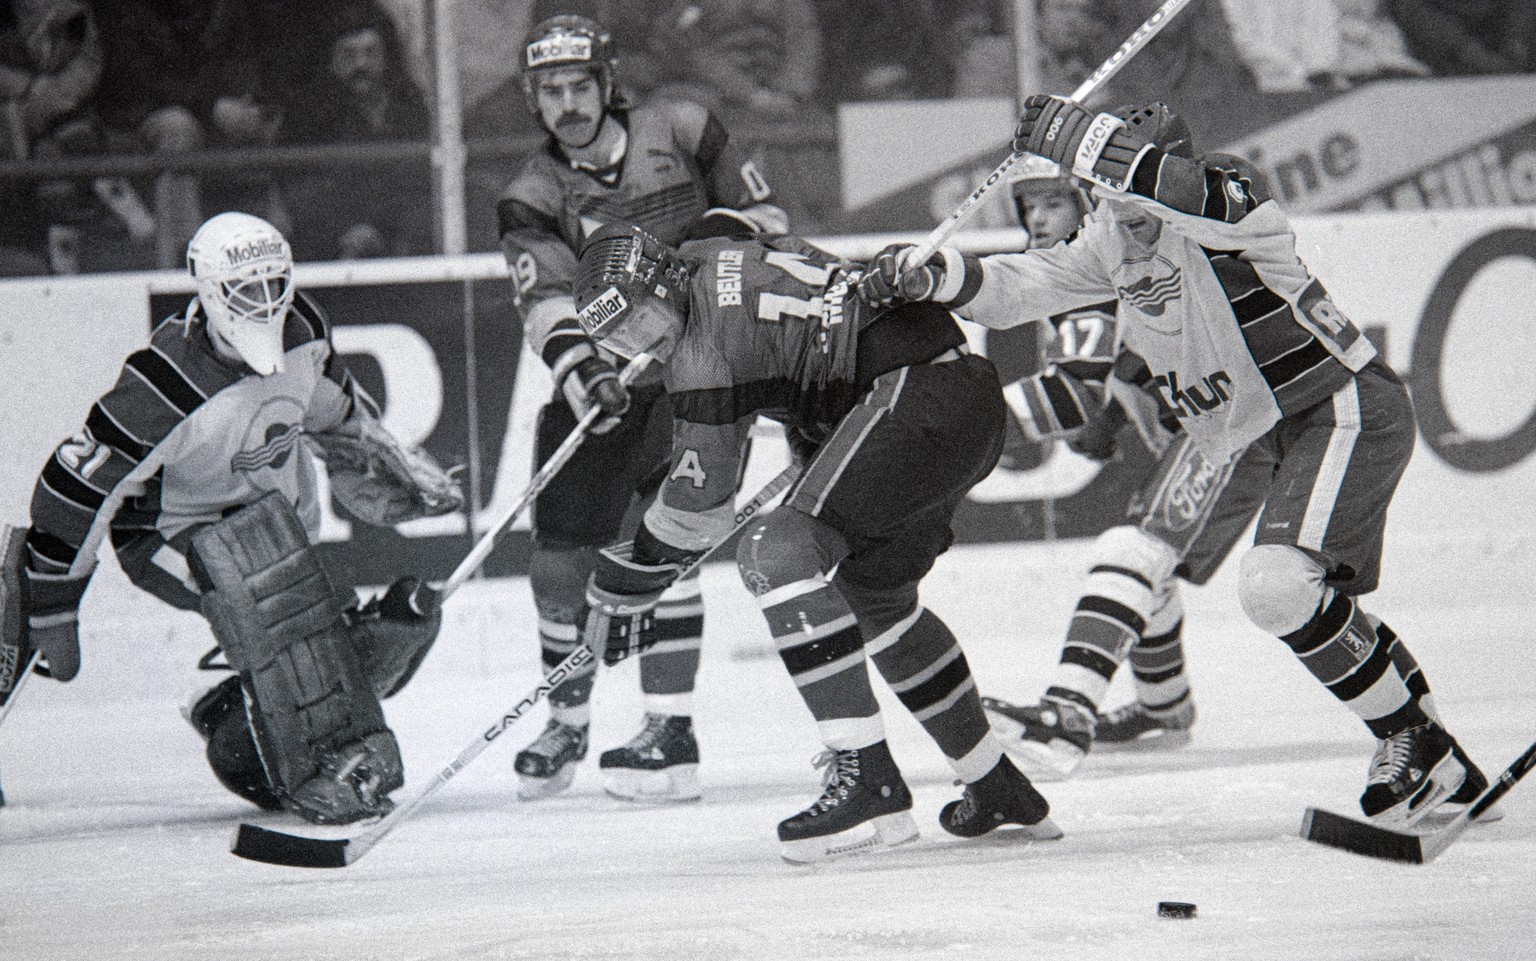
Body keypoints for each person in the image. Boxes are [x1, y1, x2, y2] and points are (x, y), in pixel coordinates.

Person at [856, 98, 1491, 829]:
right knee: (1291, 594)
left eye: (1133, 205)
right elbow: (1021, 286)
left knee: (1277, 588)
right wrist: (933, 274)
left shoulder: (1229, 203)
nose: (1122, 222)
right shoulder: (1112, 242)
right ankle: (1439, 756)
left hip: (1339, 406)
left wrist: (1076, 136)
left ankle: (1411, 738)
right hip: (1260, 434)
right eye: (1107, 205)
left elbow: (1177, 192)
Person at [563, 219, 1062, 862]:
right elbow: (763, 241)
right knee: (877, 600)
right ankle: (996, 782)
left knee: (776, 553)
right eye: (616, 336)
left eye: (638, 317)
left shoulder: (700, 352)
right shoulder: (714, 256)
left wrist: (621, 586)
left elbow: (698, 509)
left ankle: (868, 778)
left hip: (911, 398)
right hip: (960, 397)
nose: (637, 342)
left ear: (665, 283)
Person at [0, 211, 463, 824]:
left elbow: (334, 409)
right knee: (271, 605)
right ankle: (322, 735)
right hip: (170, 532)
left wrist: (377, 458)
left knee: (330, 635)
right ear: (208, 289)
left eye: (277, 284)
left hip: (274, 523)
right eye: (248, 290)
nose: (267, 303)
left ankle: (242, 711)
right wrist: (54, 597)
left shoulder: (306, 332)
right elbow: (74, 489)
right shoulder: (162, 383)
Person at [495, 13, 788, 804]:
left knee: (660, 545)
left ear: (606, 82)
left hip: (700, 367)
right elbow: (547, 300)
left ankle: (670, 726)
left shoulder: (685, 126)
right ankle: (567, 719)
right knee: (558, 564)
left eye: (577, 85)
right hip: (609, 379)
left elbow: (767, 223)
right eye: (549, 91)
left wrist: (698, 269)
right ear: (534, 99)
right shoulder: (531, 193)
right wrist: (584, 372)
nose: (566, 103)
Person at [978, 154, 1272, 779]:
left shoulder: (1099, 264)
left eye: (1051, 203)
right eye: (1027, 206)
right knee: (1147, 568)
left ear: (1086, 205)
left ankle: (1069, 710)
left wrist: (947, 429)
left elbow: (1071, 397)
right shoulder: (1087, 271)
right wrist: (1114, 398)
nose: (1035, 219)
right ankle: (1164, 708)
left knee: (1132, 551)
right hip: (1218, 421)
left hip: (1237, 425)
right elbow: (1112, 379)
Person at [279, 3, 434, 261]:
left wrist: (381, 231)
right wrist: (347, 229)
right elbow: (300, 193)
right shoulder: (307, 116)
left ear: (387, 57)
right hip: (332, 247)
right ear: (331, 60)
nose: (360, 64)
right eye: (348, 55)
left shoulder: (410, 109)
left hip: (401, 246)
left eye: (371, 53)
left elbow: (421, 184)